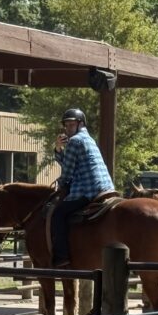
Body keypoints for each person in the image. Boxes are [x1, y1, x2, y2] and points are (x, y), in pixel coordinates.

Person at [51, 108, 115, 268]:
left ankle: (62, 256)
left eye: (71, 125)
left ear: (80, 124)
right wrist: (59, 150)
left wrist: (61, 185)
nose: (68, 128)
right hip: (105, 187)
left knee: (57, 214)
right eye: (66, 125)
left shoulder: (74, 141)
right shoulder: (88, 139)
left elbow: (67, 172)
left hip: (87, 190)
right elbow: (71, 163)